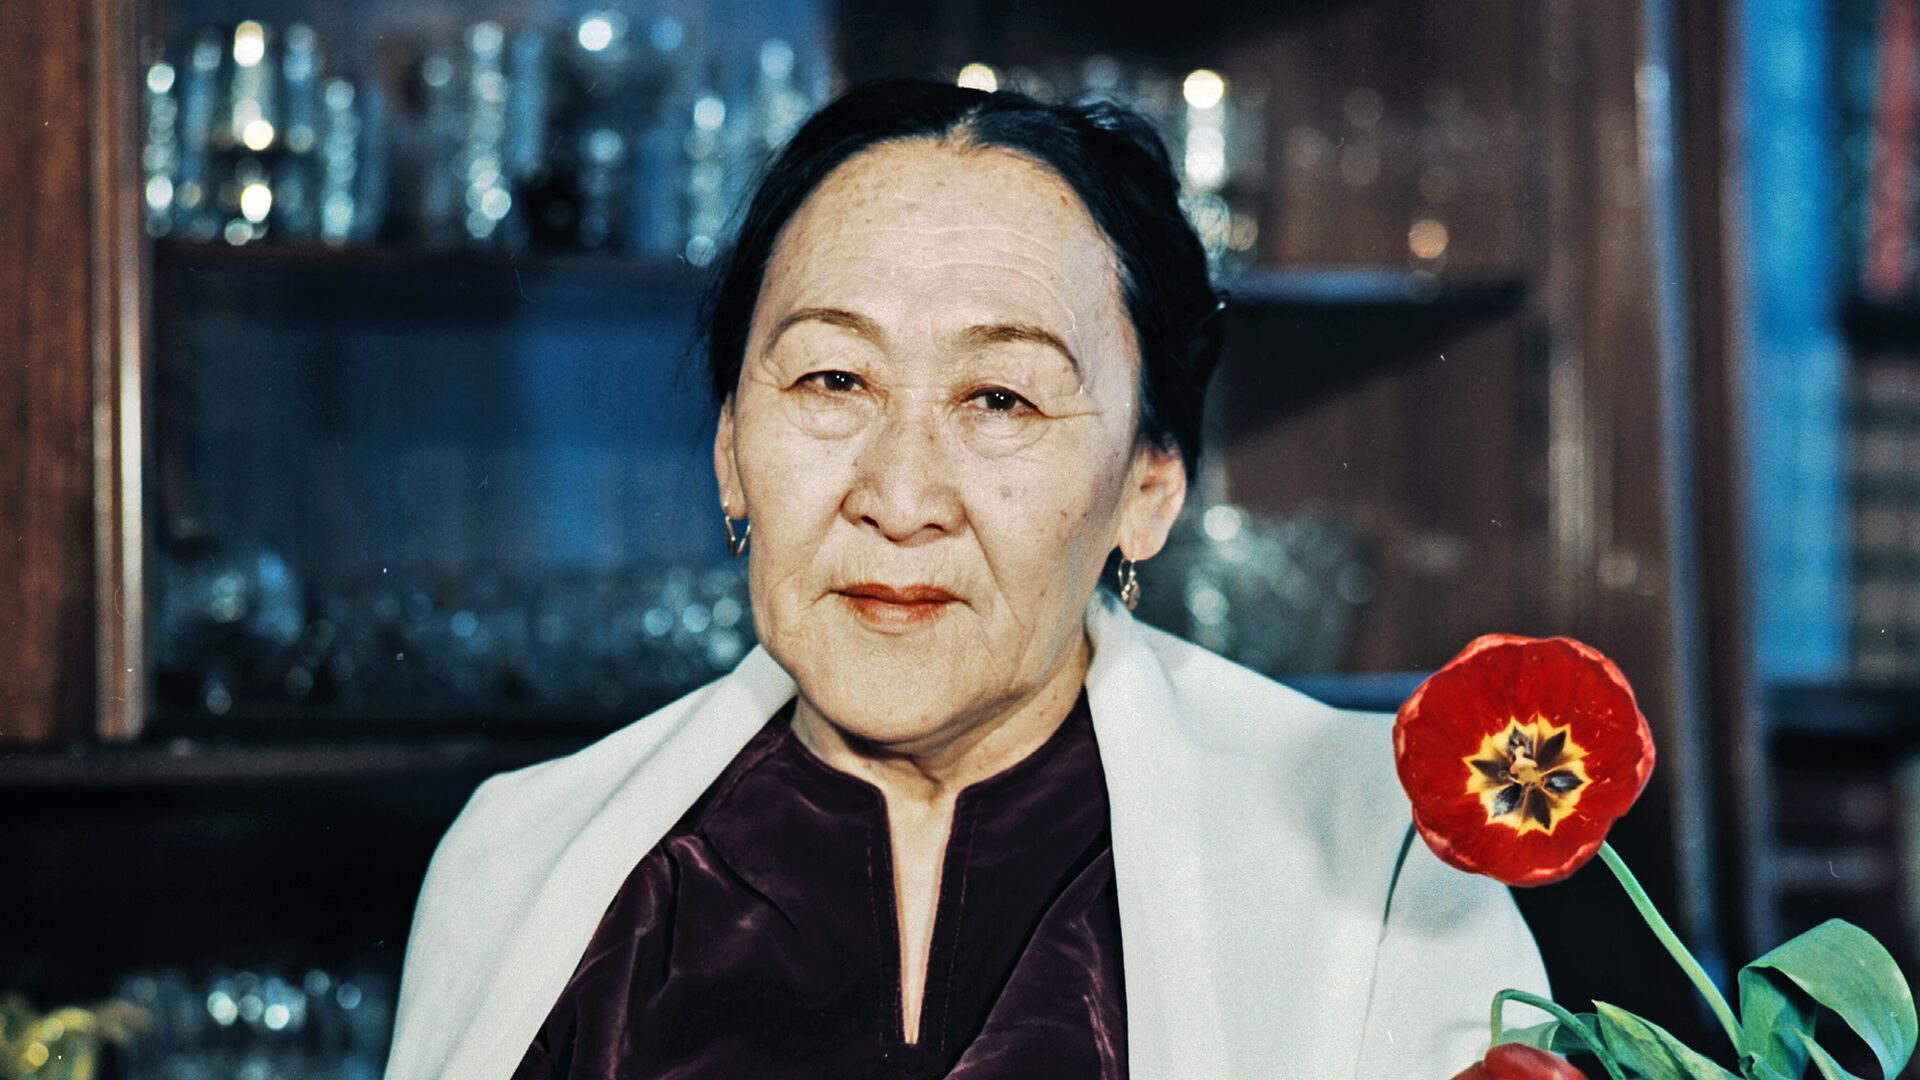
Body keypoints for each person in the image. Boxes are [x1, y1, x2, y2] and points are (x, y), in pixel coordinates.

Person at [383, 78, 1549, 1080]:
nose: (899, 497)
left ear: (1149, 487)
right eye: (833, 380)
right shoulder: (521, 860)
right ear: (731, 450)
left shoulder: (1377, 861)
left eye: (1001, 398)